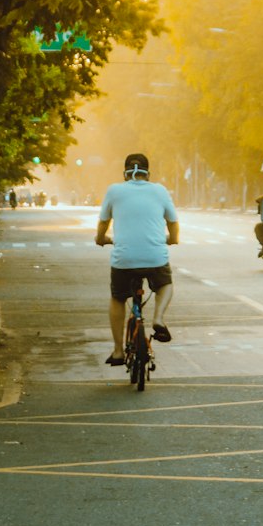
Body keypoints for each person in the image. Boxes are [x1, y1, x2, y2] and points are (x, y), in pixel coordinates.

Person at [95, 152, 179, 366]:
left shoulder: (114, 190)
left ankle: (117, 352)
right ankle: (158, 318)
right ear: (147, 173)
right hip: (155, 258)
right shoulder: (160, 190)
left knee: (118, 298)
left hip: (124, 260)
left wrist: (101, 239)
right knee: (165, 285)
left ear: (125, 172)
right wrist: (173, 239)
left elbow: (103, 223)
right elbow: (173, 223)